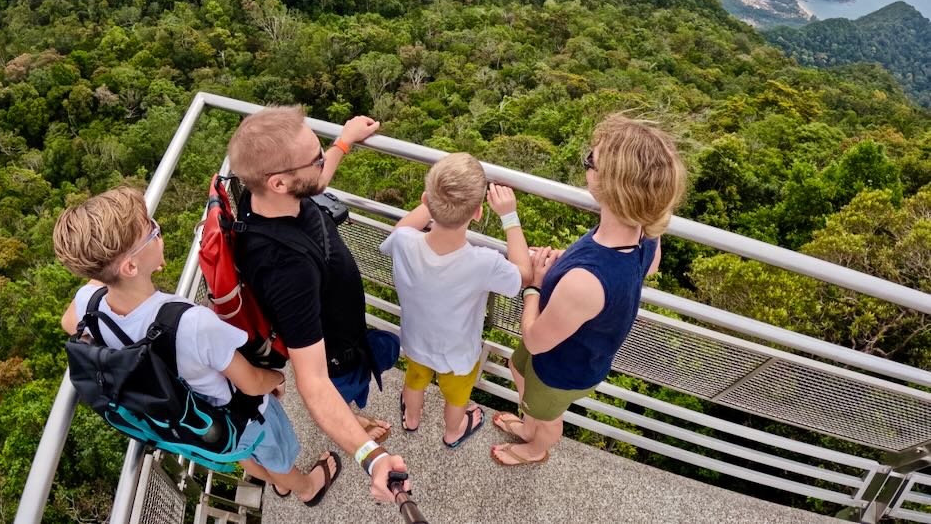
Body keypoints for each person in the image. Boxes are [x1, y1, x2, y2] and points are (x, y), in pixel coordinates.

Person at [56, 187, 342, 506]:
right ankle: (303, 486)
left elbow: (70, 321)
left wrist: (102, 270)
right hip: (242, 415)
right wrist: (277, 379)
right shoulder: (191, 324)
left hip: (198, 426)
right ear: (130, 267)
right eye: (152, 230)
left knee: (242, 452)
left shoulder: (89, 304)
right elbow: (250, 383)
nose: (157, 230)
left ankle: (278, 482)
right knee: (277, 455)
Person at [226, 106, 410, 503]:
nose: (322, 160)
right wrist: (371, 455)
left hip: (343, 327)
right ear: (277, 182)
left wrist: (344, 141)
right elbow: (312, 383)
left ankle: (352, 412)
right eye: (315, 156)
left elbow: (314, 181)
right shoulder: (285, 268)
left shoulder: (263, 195)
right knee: (343, 389)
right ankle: (353, 419)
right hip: (336, 355)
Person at [491, 115, 686, 466]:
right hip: (569, 351)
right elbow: (647, 266)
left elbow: (535, 340)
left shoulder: (585, 283)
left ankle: (536, 449)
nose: (586, 165)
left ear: (612, 187)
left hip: (560, 368)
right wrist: (565, 262)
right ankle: (527, 422)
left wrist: (535, 285)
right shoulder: (642, 235)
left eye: (589, 161)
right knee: (517, 367)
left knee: (547, 416)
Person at [380, 152, 533, 448]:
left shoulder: (404, 241)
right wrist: (509, 216)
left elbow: (402, 228)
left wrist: (434, 203)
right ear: (477, 213)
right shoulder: (484, 263)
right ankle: (453, 432)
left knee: (414, 380)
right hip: (459, 354)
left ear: (425, 201)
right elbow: (524, 275)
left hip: (415, 341)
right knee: (457, 397)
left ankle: (411, 418)